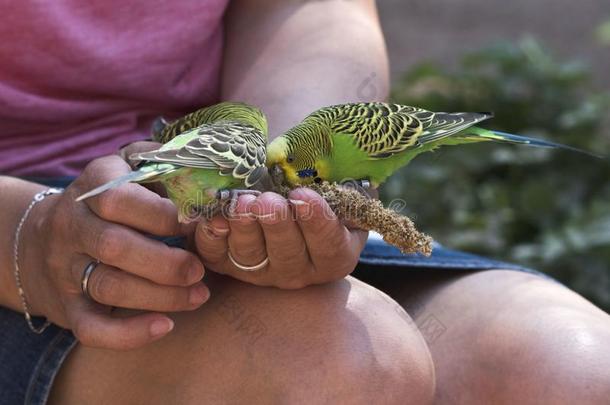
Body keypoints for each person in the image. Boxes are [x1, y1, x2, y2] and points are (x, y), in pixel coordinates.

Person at [0, 1, 608, 404]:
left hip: (201, 189)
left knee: (575, 371)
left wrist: (285, 168)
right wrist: (23, 239)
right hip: (22, 228)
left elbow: (311, 11)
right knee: (345, 369)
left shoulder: (282, 166)